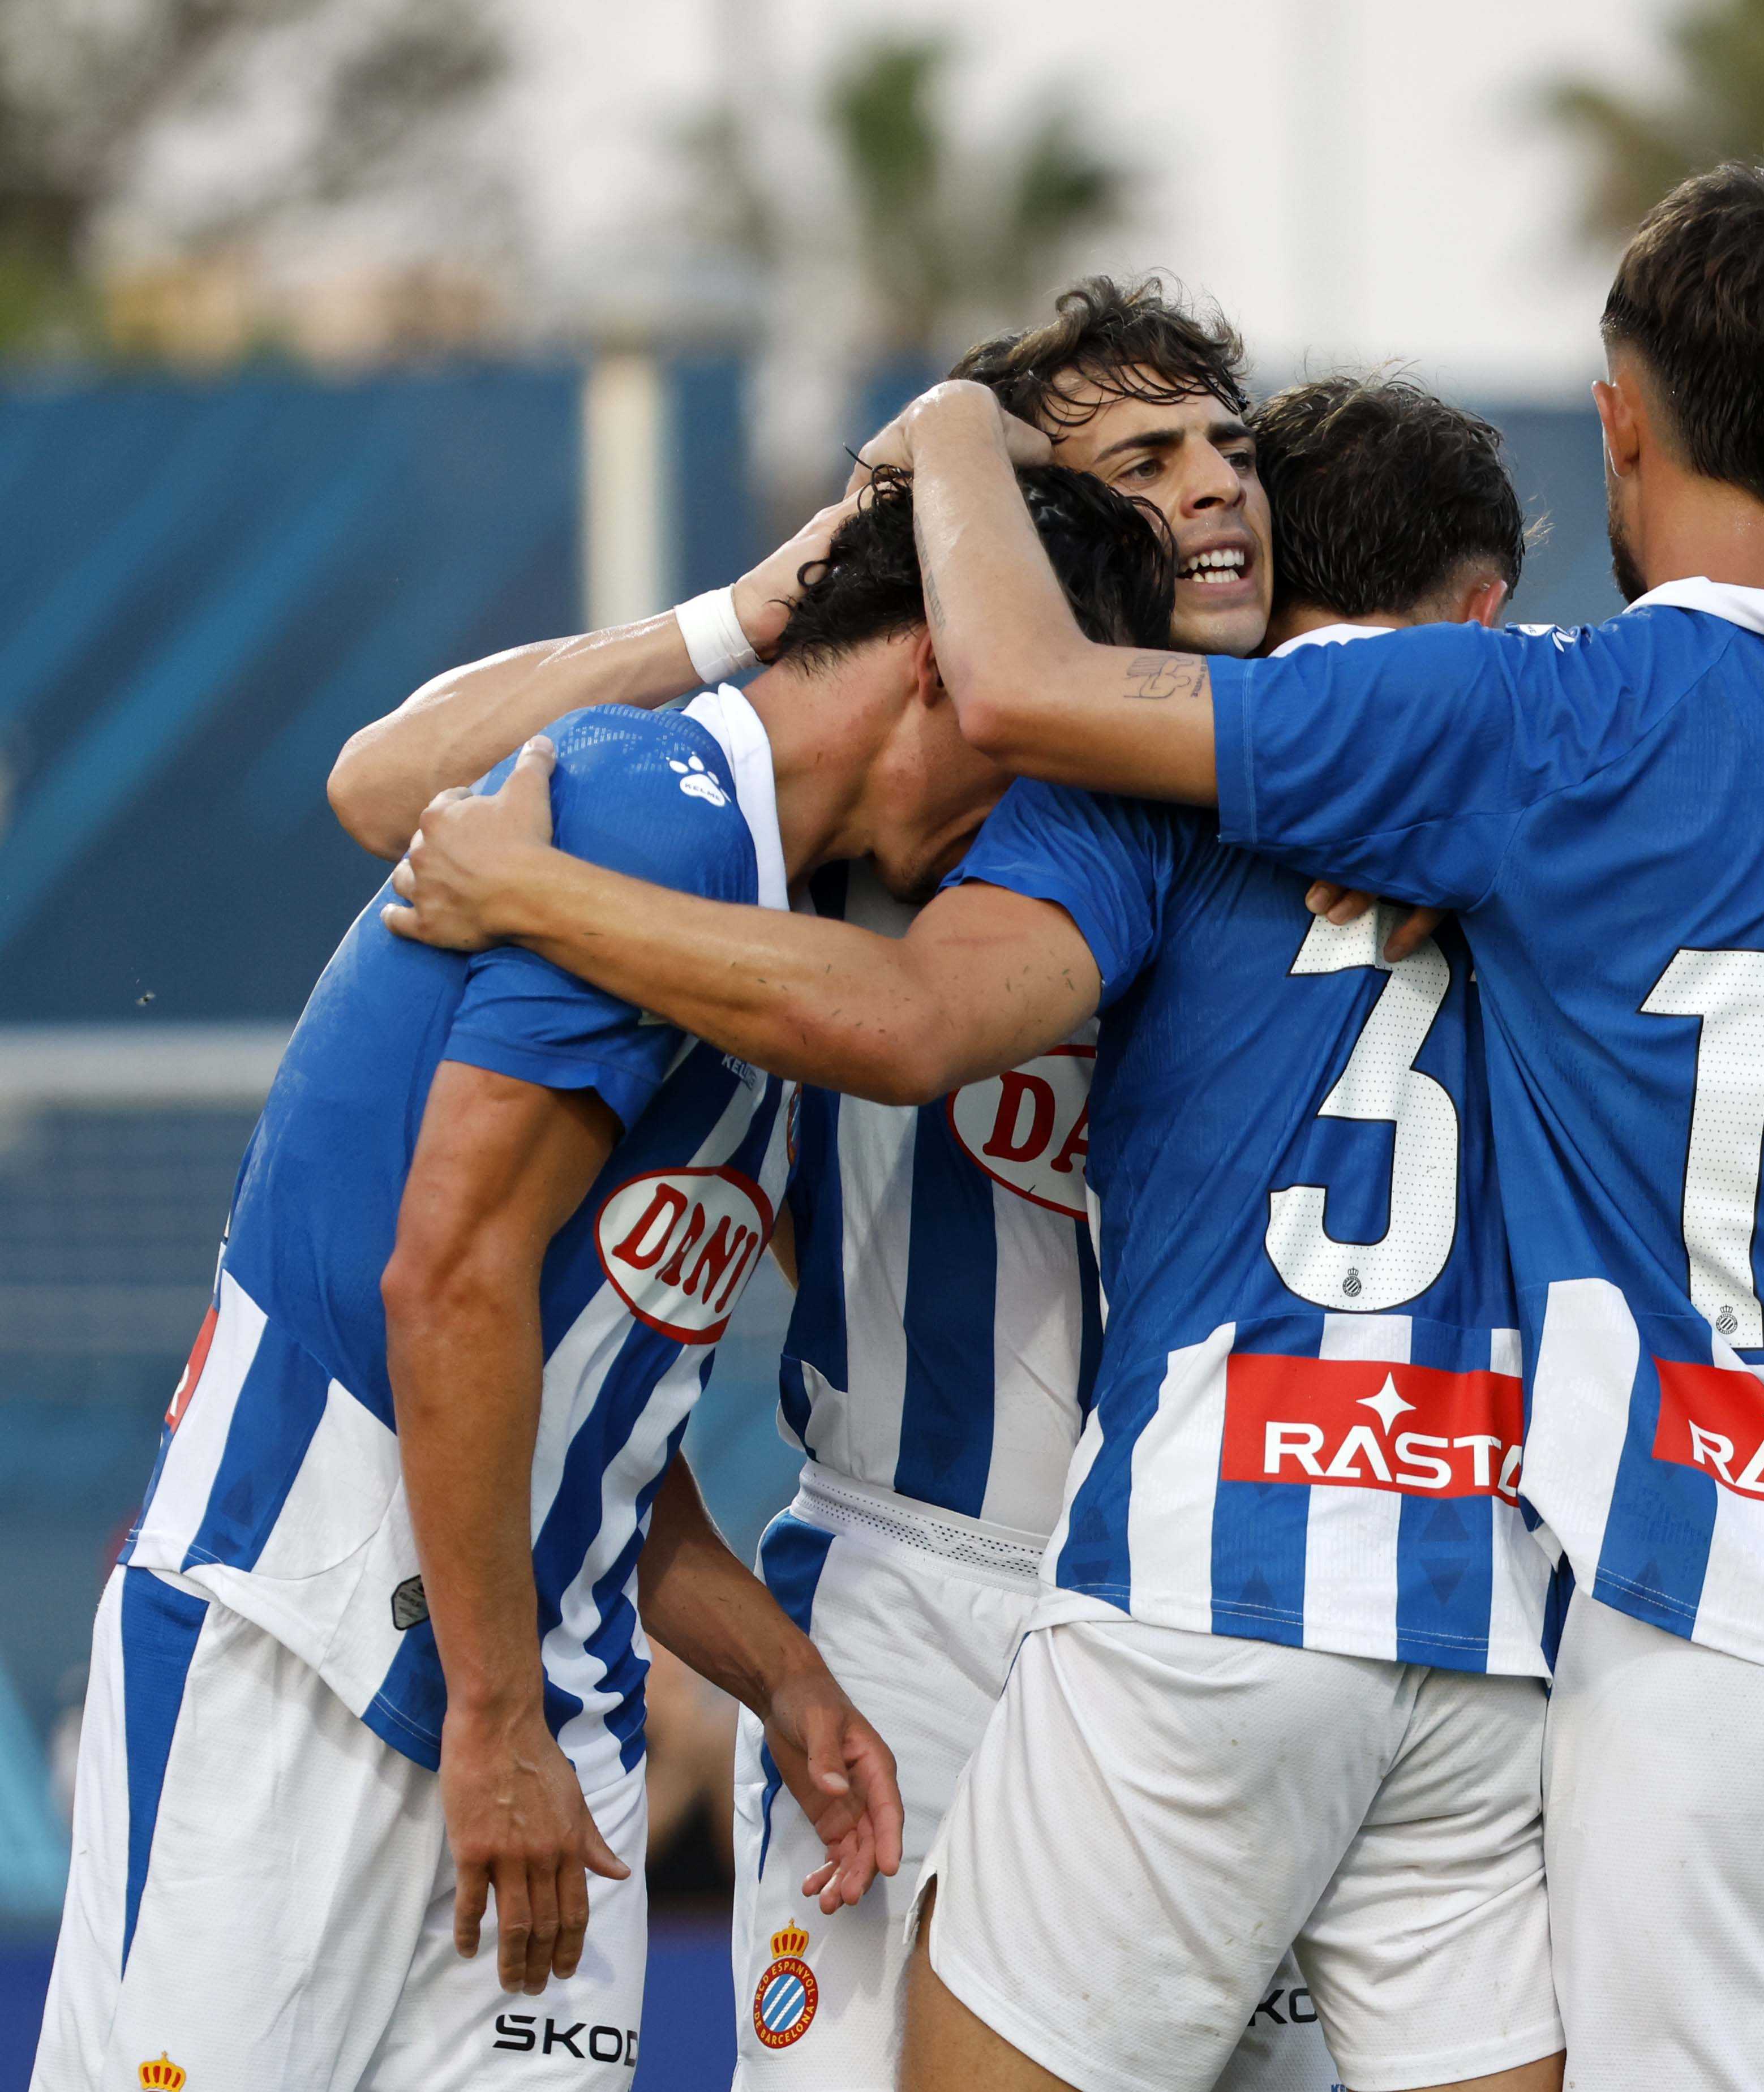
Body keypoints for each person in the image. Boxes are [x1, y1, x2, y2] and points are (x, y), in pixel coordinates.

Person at [816, 154, 1764, 2089]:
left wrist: (957, 422)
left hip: (1668, 1593)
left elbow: (1024, 723)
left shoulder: (1540, 723)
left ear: (1618, 419)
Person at [383, 371, 1568, 2092]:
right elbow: (387, 788)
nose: (1216, 493)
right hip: (927, 1581)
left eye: (1234, 454)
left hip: (1190, 1586)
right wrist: (757, 597)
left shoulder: (1254, 784)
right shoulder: (879, 802)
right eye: (1145, 466)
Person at [31, 462, 1163, 2092]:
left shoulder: (763, 923)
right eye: (1038, 748)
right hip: (312, 1652)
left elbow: (585, 1409)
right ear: (942, 663)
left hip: (548, 1704)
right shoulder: (655, 811)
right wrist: (491, 1720)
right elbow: (452, 1282)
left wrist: (780, 1674)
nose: (1037, 813)